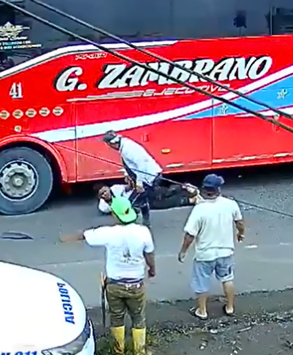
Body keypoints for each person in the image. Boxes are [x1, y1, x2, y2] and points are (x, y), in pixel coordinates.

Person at [61, 196, 156, 355]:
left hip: (114, 285)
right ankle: (140, 354)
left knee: (116, 317)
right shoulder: (143, 232)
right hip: (136, 285)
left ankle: (118, 352)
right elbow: (149, 254)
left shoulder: (108, 233)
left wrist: (65, 239)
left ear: (115, 215)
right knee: (138, 318)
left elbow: (85, 235)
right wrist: (152, 269)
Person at [178, 174, 245, 320]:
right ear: (218, 189)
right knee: (227, 278)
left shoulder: (199, 210)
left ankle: (202, 311)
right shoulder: (230, 204)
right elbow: (239, 222)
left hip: (204, 255)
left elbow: (190, 235)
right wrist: (241, 234)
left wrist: (183, 251)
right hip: (225, 252)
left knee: (201, 282)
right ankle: (230, 307)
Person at [102, 131, 163, 227]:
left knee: (130, 203)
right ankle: (146, 223)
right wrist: (127, 174)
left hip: (148, 178)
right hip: (146, 177)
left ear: (111, 144)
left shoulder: (128, 149)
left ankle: (129, 225)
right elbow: (130, 163)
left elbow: (141, 164)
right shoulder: (124, 146)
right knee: (142, 200)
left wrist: (139, 183)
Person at [95, 175, 201, 215]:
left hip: (137, 194)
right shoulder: (103, 206)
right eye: (102, 193)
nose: (106, 193)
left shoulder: (115, 188)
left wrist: (130, 183)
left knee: (162, 192)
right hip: (134, 203)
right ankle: (191, 200)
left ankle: (184, 187)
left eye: (105, 190)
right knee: (162, 204)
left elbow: (128, 188)